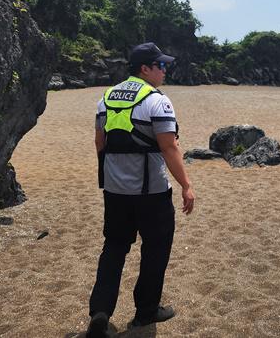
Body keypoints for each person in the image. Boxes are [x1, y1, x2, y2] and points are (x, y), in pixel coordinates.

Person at [86, 42, 195, 338]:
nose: (165, 70)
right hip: (152, 193)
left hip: (115, 192)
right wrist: (186, 185)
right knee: (156, 248)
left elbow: (99, 143)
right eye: (161, 65)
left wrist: (114, 173)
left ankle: (100, 312)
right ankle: (146, 311)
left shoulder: (106, 97)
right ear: (145, 69)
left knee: (114, 247)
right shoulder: (157, 101)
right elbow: (169, 147)